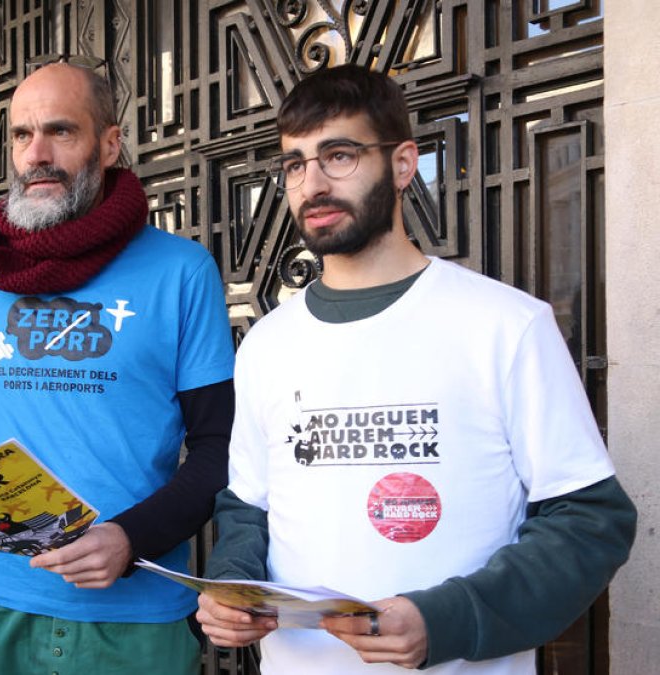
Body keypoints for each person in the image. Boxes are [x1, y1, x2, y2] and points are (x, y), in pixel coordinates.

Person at [195, 65, 637, 674]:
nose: (312, 183)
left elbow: (590, 520)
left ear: (403, 164)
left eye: (339, 155)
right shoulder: (267, 342)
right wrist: (233, 584)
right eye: (295, 164)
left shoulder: (505, 325)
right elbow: (248, 507)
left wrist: (444, 620)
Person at [0, 60, 236, 673]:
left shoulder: (182, 271)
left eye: (61, 131)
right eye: (21, 135)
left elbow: (220, 448)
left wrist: (129, 539)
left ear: (109, 142)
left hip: (136, 618)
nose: (36, 153)